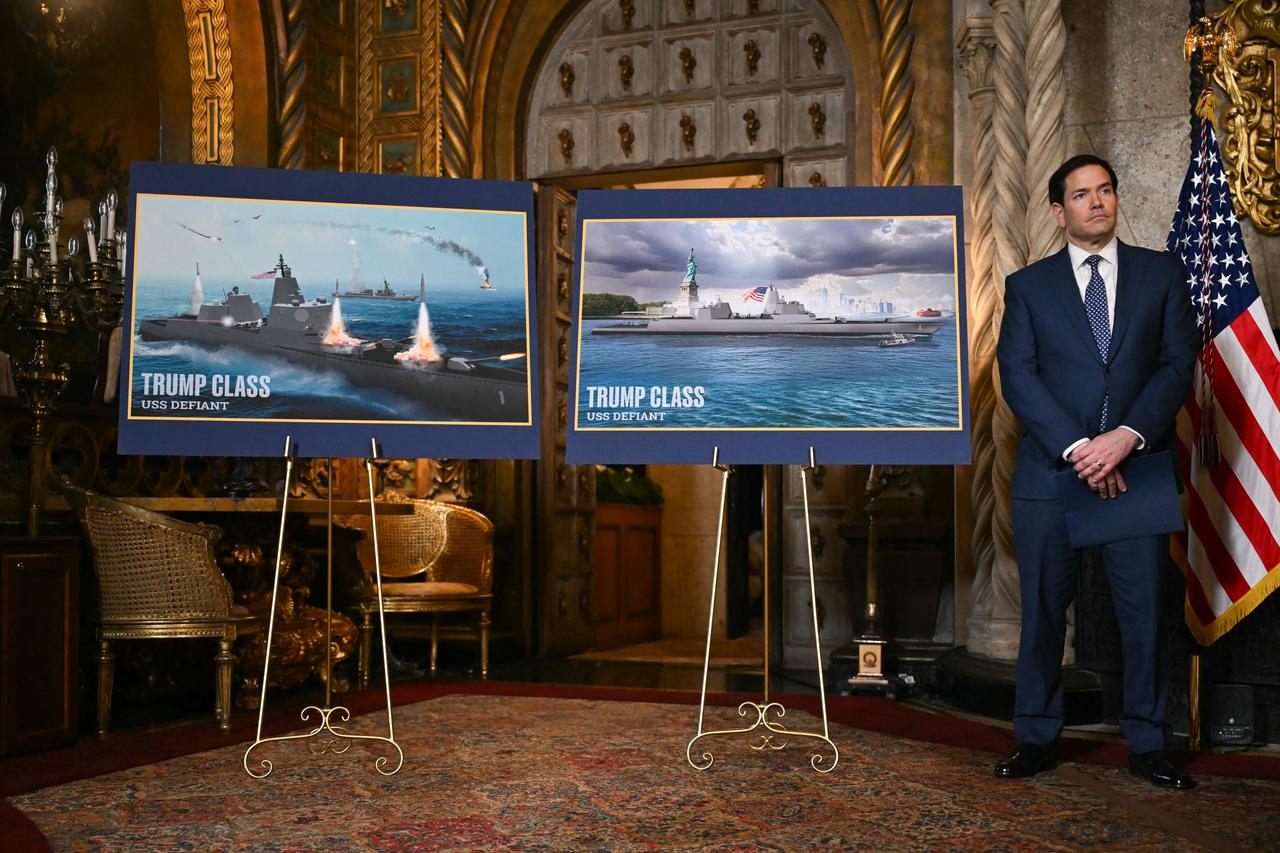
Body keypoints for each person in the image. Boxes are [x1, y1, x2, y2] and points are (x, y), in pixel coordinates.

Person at [993, 154, 1198, 789]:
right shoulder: (1028, 286)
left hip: (1137, 470)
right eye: (1081, 195)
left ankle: (1148, 744)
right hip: (1051, 475)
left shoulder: (1160, 273)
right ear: (1059, 211)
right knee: (1045, 616)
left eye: (1105, 190)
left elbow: (1175, 364)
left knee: (1144, 617)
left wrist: (1125, 440)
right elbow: (1017, 377)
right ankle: (1034, 738)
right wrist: (1083, 448)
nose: (1097, 202)